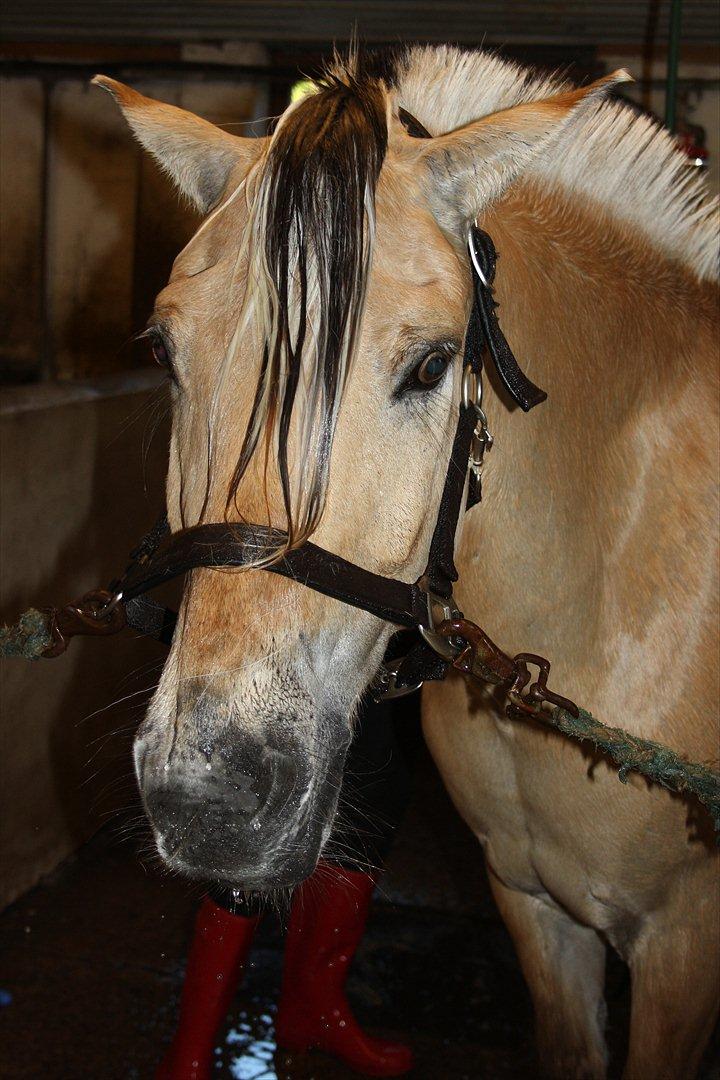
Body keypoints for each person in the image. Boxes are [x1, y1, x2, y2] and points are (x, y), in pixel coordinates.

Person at [157, 693, 414, 1079]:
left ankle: (312, 1013)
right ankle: (189, 1057)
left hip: (372, 648)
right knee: (254, 815)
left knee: (372, 793)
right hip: (277, 652)